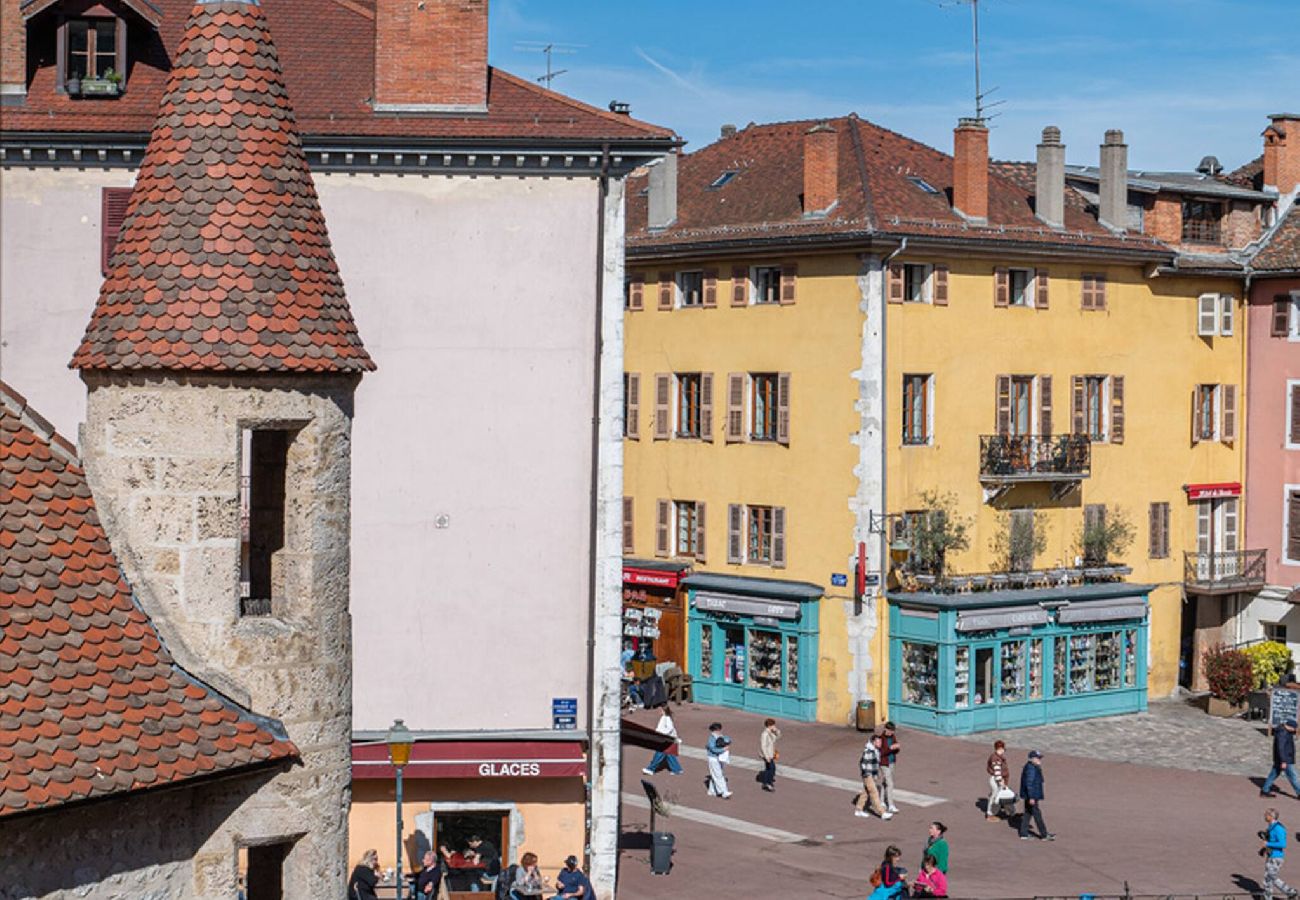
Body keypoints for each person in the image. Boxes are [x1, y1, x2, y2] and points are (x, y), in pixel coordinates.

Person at [853, 731, 892, 820]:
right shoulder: (869, 751)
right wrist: (867, 774)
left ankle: (858, 810)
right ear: (874, 742)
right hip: (868, 775)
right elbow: (863, 763)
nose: (880, 743)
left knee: (866, 792)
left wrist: (875, 774)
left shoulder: (875, 751)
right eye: (878, 742)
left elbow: (875, 764)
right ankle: (882, 813)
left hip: (871, 775)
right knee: (874, 793)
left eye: (880, 742)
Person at [1262, 808, 1299, 899]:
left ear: (1271, 816)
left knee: (1270, 877)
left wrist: (1268, 844)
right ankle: (1290, 892)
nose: (1264, 816)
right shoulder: (1271, 827)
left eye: (1266, 814)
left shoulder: (1278, 828)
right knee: (1269, 877)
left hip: (1276, 857)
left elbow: (1283, 844)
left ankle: (1289, 892)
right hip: (1271, 855)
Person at [1019, 750, 1055, 841]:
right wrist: (1031, 797)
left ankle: (1023, 833)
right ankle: (1044, 834)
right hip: (1032, 796)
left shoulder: (1033, 766)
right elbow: (1029, 783)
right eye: (1038, 758)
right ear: (1032, 759)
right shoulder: (1031, 768)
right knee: (1037, 814)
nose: (1040, 760)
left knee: (1028, 813)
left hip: (1030, 795)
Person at [1264, 719, 1300, 798]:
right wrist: (1283, 761)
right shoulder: (1283, 734)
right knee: (1293, 776)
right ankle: (1299, 792)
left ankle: (1265, 790)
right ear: (1290, 727)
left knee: (1273, 774)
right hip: (1285, 759)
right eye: (1294, 728)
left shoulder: (1285, 731)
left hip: (1281, 758)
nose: (1295, 730)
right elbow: (1281, 748)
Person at [643, 705, 683, 775]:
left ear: (663, 711)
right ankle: (677, 769)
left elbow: (669, 728)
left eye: (660, 709)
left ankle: (651, 769)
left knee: (659, 753)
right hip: (669, 740)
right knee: (669, 755)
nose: (659, 711)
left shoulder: (666, 718)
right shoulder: (665, 717)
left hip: (667, 739)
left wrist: (662, 734)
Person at [705, 721, 733, 799]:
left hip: (719, 758)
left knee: (715, 774)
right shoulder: (711, 738)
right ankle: (724, 792)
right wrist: (723, 749)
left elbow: (728, 740)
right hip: (713, 758)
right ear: (715, 730)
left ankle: (712, 791)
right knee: (719, 775)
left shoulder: (719, 736)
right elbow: (713, 749)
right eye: (718, 729)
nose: (719, 731)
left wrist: (724, 739)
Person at [986, 739, 1012, 821]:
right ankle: (990, 813)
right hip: (997, 780)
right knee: (995, 795)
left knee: (1000, 795)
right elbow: (997, 772)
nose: (1001, 751)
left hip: (1000, 779)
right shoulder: (996, 758)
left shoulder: (999, 757)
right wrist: (1001, 781)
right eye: (999, 749)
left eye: (1002, 749)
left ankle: (1006, 811)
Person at [880, 721, 901, 814]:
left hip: (892, 762)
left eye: (893, 731)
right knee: (890, 783)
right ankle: (891, 805)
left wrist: (897, 747)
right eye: (890, 731)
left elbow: (896, 747)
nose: (892, 733)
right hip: (884, 763)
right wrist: (891, 748)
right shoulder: (881, 739)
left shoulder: (893, 737)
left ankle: (881, 801)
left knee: (885, 782)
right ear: (886, 729)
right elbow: (881, 752)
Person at [758, 718, 782, 792]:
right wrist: (766, 756)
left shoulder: (771, 732)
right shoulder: (764, 734)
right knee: (770, 769)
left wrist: (776, 731)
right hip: (767, 754)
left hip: (771, 753)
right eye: (773, 725)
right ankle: (768, 783)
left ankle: (767, 782)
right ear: (769, 725)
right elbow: (763, 746)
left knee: (770, 768)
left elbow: (778, 736)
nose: (774, 726)